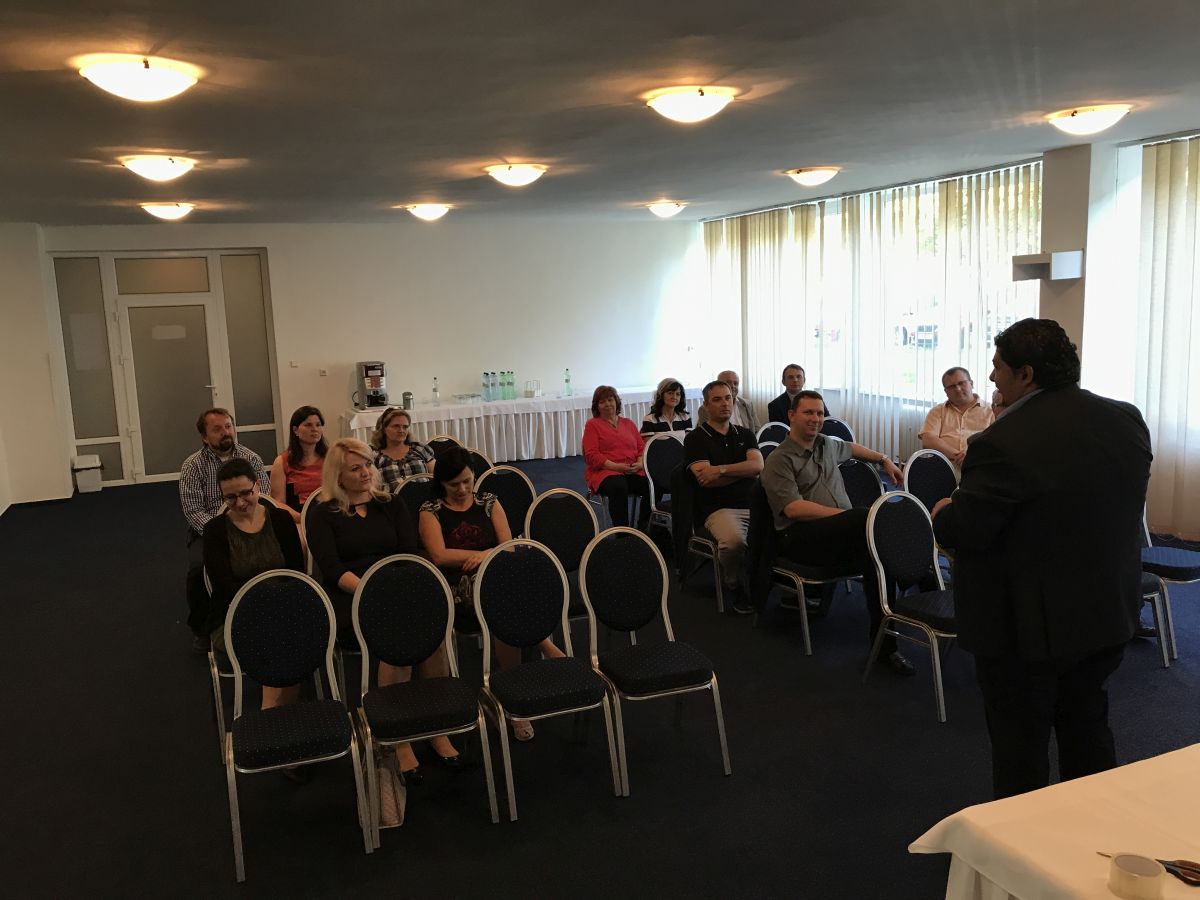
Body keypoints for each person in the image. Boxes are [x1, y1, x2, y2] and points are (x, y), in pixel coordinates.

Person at [931, 319, 1152, 800]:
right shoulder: (1127, 420)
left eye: (997, 368)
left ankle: (1021, 840)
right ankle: (1090, 829)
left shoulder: (1002, 441)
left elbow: (968, 530)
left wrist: (944, 510)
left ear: (1025, 373)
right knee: (1089, 731)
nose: (992, 378)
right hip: (1105, 614)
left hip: (1024, 631)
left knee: (1020, 751)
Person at [305, 438, 459, 780]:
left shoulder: (391, 504)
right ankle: (398, 734)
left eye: (368, 465)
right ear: (338, 475)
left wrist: (394, 589)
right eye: (355, 468)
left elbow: (408, 552)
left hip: (396, 585)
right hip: (351, 593)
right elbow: (332, 568)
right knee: (396, 630)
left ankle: (435, 724)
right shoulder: (322, 513)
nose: (366, 472)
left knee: (431, 626)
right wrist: (372, 591)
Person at [760, 390, 915, 675]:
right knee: (866, 518)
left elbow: (853, 449)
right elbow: (793, 509)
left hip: (840, 533)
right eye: (808, 412)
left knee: (877, 559)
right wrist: (844, 517)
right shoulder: (779, 459)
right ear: (791, 415)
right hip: (800, 539)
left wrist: (884, 459)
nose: (816, 418)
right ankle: (917, 572)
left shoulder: (827, 444)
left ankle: (885, 647)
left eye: (820, 413)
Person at [419, 446, 566, 742]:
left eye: (467, 481)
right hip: (455, 588)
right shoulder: (430, 510)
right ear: (441, 483)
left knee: (503, 596)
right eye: (454, 484)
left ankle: (511, 693)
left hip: (496, 579)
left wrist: (485, 556)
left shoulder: (488, 501)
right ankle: (542, 645)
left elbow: (507, 547)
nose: (462, 489)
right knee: (504, 596)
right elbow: (439, 555)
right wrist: (482, 555)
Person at [204, 458, 305, 709]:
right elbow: (224, 587)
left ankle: (276, 713)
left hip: (284, 605)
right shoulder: (215, 530)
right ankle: (273, 713)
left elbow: (296, 573)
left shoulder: (280, 520)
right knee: (282, 638)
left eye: (245, 493)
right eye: (230, 497)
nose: (239, 503)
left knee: (289, 634)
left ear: (258, 486)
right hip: (236, 613)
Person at [180, 408, 270, 652]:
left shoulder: (251, 459)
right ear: (204, 437)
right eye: (217, 429)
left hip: (251, 524)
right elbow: (193, 510)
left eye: (228, 426)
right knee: (198, 569)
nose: (226, 432)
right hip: (209, 530)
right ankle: (202, 628)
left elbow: (264, 497)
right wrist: (222, 535)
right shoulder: (193, 466)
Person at [684, 381, 764, 614]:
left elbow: (757, 466)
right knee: (734, 542)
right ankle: (733, 581)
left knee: (784, 529)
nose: (725, 404)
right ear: (706, 406)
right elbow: (706, 480)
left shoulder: (745, 434)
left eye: (728, 398)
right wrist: (743, 472)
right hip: (718, 508)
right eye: (717, 399)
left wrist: (720, 470)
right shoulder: (696, 438)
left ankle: (764, 581)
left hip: (754, 504)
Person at [582, 385, 651, 529]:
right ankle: (623, 532)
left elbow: (641, 448)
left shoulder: (628, 423)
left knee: (651, 484)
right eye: (602, 402)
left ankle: (644, 525)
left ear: (616, 401)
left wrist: (640, 463)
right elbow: (591, 455)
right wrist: (617, 467)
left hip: (632, 469)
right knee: (619, 486)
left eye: (610, 400)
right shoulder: (592, 425)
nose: (607, 404)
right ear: (597, 406)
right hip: (605, 471)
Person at [919, 367, 994, 467]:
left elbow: (997, 444)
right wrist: (960, 457)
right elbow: (928, 440)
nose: (958, 389)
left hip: (978, 467)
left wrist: (971, 458)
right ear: (946, 391)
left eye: (961, 383)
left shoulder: (992, 411)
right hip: (943, 468)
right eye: (952, 387)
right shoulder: (938, 411)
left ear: (971, 383)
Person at [269, 405, 327, 522]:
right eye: (308, 425)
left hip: (328, 513)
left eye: (318, 425)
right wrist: (302, 518)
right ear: (295, 430)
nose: (315, 429)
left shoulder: (330, 457)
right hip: (299, 517)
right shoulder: (282, 461)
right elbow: (278, 503)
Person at [370, 407, 436, 490]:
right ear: (383, 429)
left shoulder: (420, 449)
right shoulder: (374, 456)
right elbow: (372, 489)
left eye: (405, 427)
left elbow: (438, 477)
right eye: (396, 426)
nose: (401, 430)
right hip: (392, 498)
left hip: (425, 496)